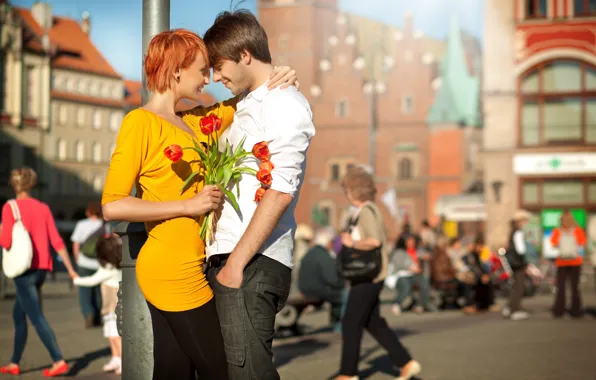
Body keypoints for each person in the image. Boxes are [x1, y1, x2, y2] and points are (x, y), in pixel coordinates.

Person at [101, 28, 298, 380]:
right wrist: (188, 206)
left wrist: (280, 73)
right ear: (177, 69)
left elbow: (250, 90)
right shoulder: (140, 123)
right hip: (170, 268)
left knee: (175, 369)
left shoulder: (195, 122)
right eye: (201, 69)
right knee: (222, 370)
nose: (209, 78)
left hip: (191, 263)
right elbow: (113, 205)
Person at [199, 10, 314, 380]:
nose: (216, 77)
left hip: (252, 262)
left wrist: (235, 264)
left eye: (219, 66)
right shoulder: (248, 104)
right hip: (234, 259)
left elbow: (280, 190)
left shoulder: (284, 104)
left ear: (245, 54)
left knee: (248, 373)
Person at [335, 166, 421, 380]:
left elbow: (374, 241)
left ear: (352, 190)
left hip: (368, 276)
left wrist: (351, 242)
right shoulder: (369, 210)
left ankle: (348, 373)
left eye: (346, 188)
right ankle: (405, 362)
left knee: (351, 322)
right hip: (372, 275)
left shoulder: (366, 211)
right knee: (373, 322)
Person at [0, 168, 77, 377]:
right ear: (31, 185)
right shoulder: (42, 207)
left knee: (35, 316)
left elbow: (5, 241)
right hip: (42, 268)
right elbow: (56, 240)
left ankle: (58, 360)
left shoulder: (10, 208)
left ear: (13, 185)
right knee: (19, 314)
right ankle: (14, 362)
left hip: (23, 270)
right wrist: (71, 269)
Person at [73, 234, 123, 374]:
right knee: (110, 332)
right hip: (113, 306)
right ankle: (116, 358)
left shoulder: (107, 268)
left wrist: (76, 280)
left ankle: (123, 360)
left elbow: (92, 280)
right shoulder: (118, 265)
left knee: (114, 334)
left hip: (112, 306)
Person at [298, 227, 345, 328]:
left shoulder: (309, 253)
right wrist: (344, 284)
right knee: (343, 296)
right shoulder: (324, 255)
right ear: (327, 242)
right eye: (331, 241)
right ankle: (338, 325)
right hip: (318, 291)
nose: (332, 244)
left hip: (305, 289)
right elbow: (332, 279)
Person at [71, 202, 104, 328]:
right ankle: (99, 317)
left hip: (84, 262)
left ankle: (88, 314)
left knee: (84, 292)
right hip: (100, 264)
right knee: (99, 292)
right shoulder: (104, 225)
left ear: (88, 212)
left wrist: (77, 259)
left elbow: (76, 244)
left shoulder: (82, 224)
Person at [550, 211, 587, 318]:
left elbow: (554, 244)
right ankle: (576, 310)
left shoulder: (557, 231)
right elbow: (582, 243)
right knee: (575, 287)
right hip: (576, 262)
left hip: (561, 262)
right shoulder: (578, 230)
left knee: (561, 287)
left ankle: (559, 310)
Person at [502, 210, 532, 321]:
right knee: (519, 287)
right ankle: (515, 309)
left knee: (515, 286)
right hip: (518, 263)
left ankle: (510, 307)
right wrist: (525, 261)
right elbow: (520, 250)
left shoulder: (513, 231)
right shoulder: (518, 232)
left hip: (513, 262)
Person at [391, 235, 433, 315]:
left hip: (415, 275)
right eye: (409, 241)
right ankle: (397, 303)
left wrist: (425, 256)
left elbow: (428, 255)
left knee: (424, 283)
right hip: (402, 275)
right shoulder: (399, 252)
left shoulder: (417, 250)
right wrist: (410, 268)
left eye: (413, 241)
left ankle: (420, 304)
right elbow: (398, 264)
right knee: (405, 288)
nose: (411, 243)